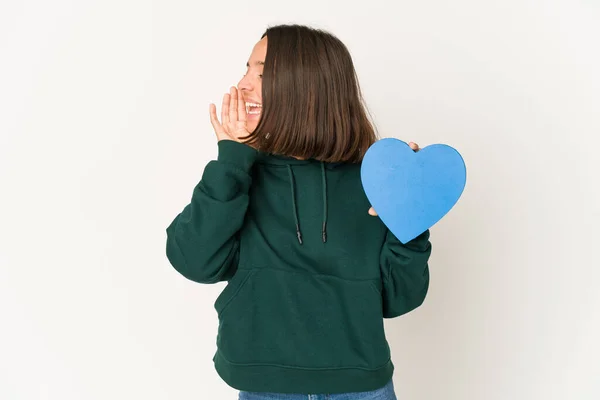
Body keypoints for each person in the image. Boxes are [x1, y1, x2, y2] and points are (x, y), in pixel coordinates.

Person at [165, 24, 432, 400]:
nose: (242, 84)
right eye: (246, 70)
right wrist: (231, 160)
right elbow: (193, 261)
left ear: (305, 88)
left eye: (261, 72)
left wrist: (412, 216)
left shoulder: (377, 179)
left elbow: (400, 298)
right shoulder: (240, 175)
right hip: (265, 388)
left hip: (360, 389)